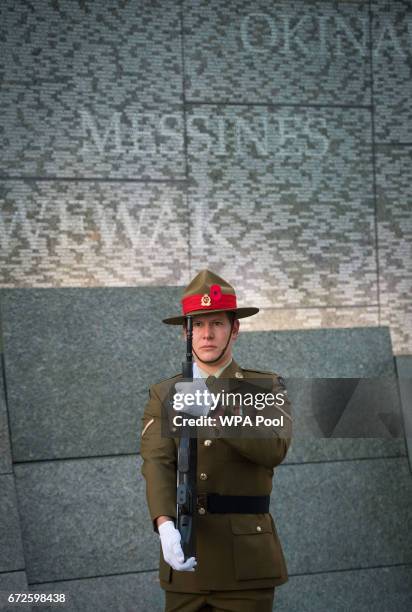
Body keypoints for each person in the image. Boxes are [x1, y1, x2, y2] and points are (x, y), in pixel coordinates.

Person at [140, 269, 292, 612]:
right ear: (185, 332)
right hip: (185, 558)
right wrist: (163, 524)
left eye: (217, 324)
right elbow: (157, 463)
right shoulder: (165, 393)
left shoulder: (265, 387)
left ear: (234, 329)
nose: (207, 334)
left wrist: (216, 413)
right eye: (198, 324)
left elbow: (274, 448)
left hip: (246, 567)